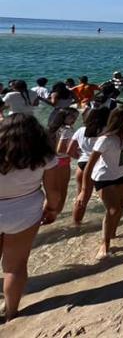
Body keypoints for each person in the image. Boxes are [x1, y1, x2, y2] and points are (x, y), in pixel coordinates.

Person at [0, 114, 60, 321]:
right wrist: (52, 209)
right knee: (14, 266)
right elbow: (53, 190)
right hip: (24, 211)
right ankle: (11, 313)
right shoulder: (45, 155)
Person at [77, 105, 123, 258]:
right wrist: (84, 190)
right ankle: (105, 243)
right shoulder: (105, 139)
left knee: (122, 204)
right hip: (104, 177)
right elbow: (90, 165)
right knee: (113, 209)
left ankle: (112, 231)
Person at [68, 107, 109, 224]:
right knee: (108, 199)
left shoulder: (80, 130)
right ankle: (110, 223)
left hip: (83, 164)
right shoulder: (106, 131)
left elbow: (70, 151)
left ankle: (76, 224)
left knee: (81, 197)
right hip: (100, 165)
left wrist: (81, 157)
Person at [47, 107, 80, 212]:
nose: (74, 119)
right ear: (63, 117)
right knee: (62, 190)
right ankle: (56, 213)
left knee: (52, 190)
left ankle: (47, 212)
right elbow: (60, 149)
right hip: (62, 161)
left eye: (76, 117)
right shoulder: (67, 130)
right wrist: (76, 154)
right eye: (71, 116)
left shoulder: (53, 129)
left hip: (51, 161)